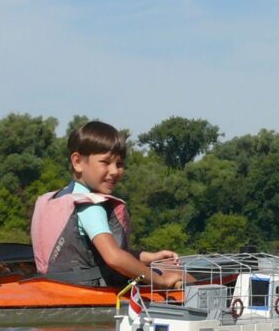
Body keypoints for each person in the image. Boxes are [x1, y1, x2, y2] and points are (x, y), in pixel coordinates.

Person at [30, 120, 181, 289]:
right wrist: (160, 281)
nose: (115, 171)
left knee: (162, 268)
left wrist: (148, 257)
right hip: (90, 293)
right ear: (77, 162)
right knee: (179, 273)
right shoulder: (90, 205)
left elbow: (88, 252)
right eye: (105, 162)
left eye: (119, 164)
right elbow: (113, 257)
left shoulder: (56, 199)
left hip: (54, 288)